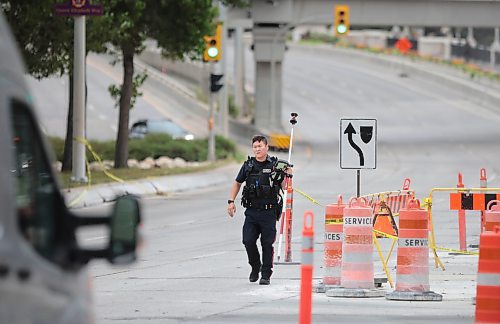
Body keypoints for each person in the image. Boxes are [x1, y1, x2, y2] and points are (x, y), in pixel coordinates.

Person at [227, 135, 291, 285]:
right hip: (252, 212)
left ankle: (266, 274)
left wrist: (285, 175)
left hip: (269, 212)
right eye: (255, 147)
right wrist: (231, 202)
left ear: (267, 147)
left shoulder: (275, 165)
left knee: (267, 244)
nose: (257, 149)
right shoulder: (248, 166)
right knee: (248, 240)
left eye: (260, 146)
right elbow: (237, 183)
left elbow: (285, 187)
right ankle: (255, 267)